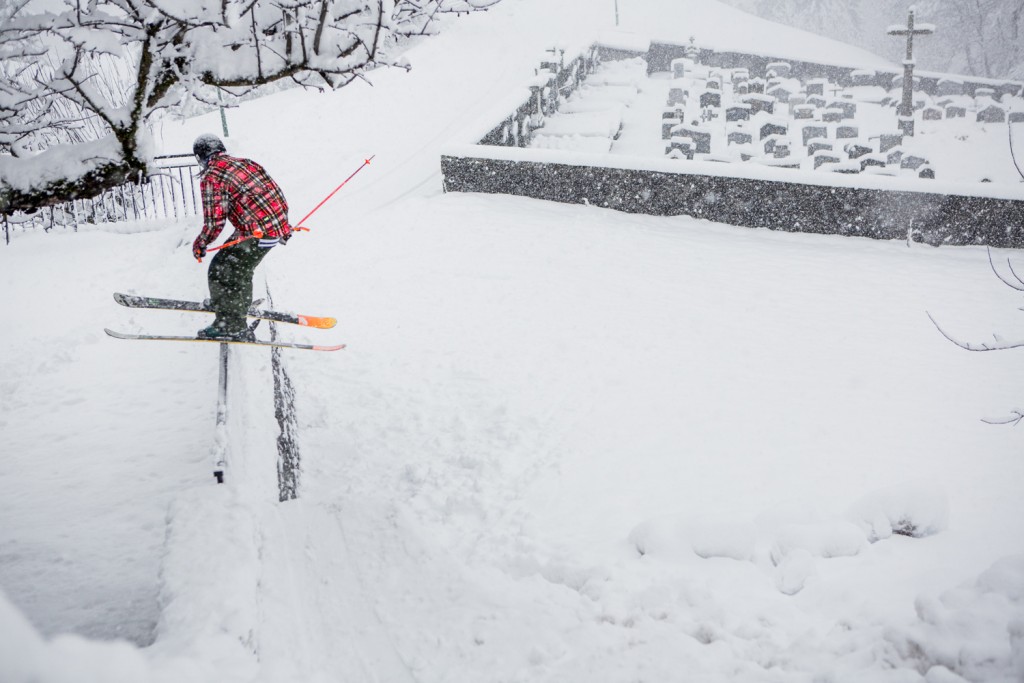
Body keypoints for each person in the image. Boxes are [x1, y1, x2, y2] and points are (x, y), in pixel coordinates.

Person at [191, 134, 292, 341]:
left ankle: (231, 324)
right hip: (268, 227)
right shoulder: (246, 163)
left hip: (257, 231)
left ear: (200, 157)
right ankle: (228, 304)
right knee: (234, 264)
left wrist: (201, 242)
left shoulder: (212, 176)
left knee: (225, 271)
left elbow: (215, 220)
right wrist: (283, 226)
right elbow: (275, 193)